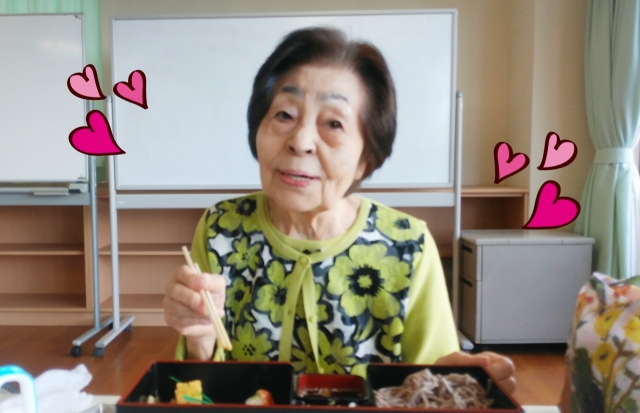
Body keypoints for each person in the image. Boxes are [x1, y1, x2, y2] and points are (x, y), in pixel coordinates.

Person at [163, 27, 516, 394]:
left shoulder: (408, 245)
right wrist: (199, 336)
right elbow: (200, 390)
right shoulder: (221, 230)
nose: (300, 142)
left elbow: (433, 378)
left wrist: (457, 382)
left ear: (366, 157)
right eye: (284, 114)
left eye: (333, 123)